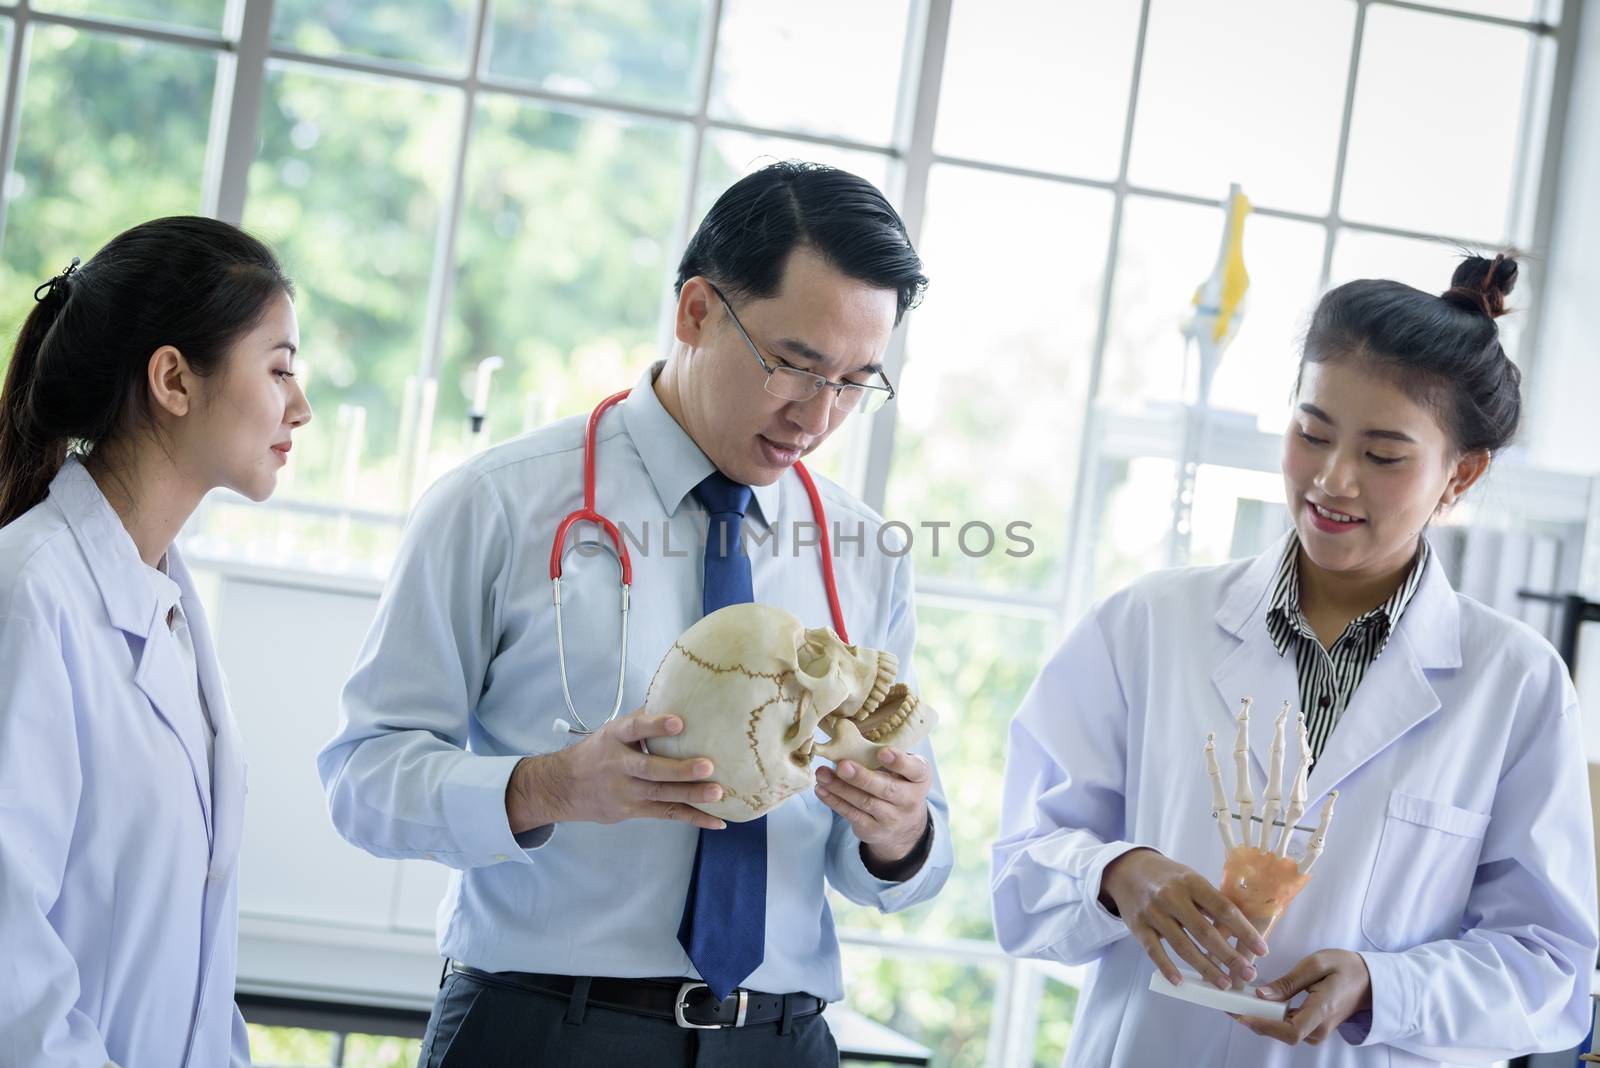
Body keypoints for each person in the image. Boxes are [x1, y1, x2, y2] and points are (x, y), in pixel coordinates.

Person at [318, 161, 953, 1067]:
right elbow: (361, 778)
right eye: (795, 365)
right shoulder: (499, 504)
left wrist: (900, 833)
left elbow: (913, 858)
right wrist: (544, 788)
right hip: (542, 1030)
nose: (819, 416)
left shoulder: (862, 550)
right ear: (696, 310)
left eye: (857, 382)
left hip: (781, 1041)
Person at [992, 254, 1597, 1066]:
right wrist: (1117, 873)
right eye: (1311, 432)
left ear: (1463, 473)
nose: (1332, 479)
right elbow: (1021, 872)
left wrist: (1382, 986)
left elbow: (1549, 970)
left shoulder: (1515, 684)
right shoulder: (1148, 624)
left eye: (1384, 456)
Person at [0, 216, 312, 1067]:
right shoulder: (33, 593)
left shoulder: (168, 601)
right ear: (173, 379)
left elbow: (197, 963)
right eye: (279, 367)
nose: (301, 406)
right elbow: (7, 959)